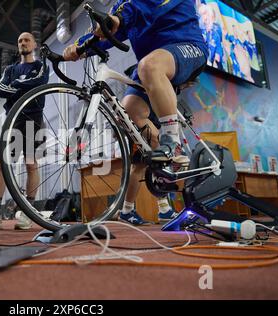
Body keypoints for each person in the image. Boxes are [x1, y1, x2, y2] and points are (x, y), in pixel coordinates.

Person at [63, 0, 208, 225]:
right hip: (151, 62)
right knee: (128, 110)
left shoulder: (131, 6)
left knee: (149, 66)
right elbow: (110, 33)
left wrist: (117, 18)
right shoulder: (125, 5)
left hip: (187, 46)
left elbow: (141, 8)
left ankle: (173, 141)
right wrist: (80, 47)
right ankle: (162, 152)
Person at [0, 32, 49, 230]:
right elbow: (2, 90)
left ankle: (28, 213)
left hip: (33, 119)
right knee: (1, 166)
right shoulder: (10, 69)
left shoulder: (40, 65)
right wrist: (22, 87)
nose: (23, 43)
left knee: (31, 165)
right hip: (12, 120)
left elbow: (40, 82)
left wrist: (17, 85)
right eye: (20, 40)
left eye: (26, 40)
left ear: (34, 44)